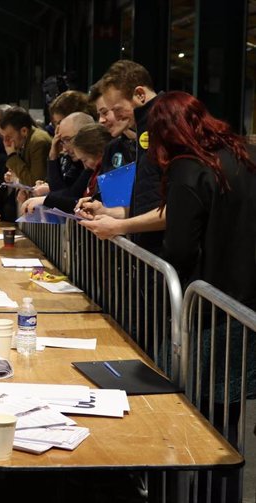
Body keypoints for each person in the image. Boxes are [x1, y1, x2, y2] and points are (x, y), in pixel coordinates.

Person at [148, 90, 256, 503]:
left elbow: (178, 247)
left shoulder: (187, 168)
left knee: (188, 415)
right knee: (227, 423)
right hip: (244, 303)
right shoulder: (242, 156)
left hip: (206, 307)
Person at [78, 60, 164, 253]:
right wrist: (107, 212)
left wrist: (119, 226)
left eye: (114, 110)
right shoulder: (144, 134)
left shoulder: (166, 126)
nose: (103, 120)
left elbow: (178, 210)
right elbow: (145, 204)